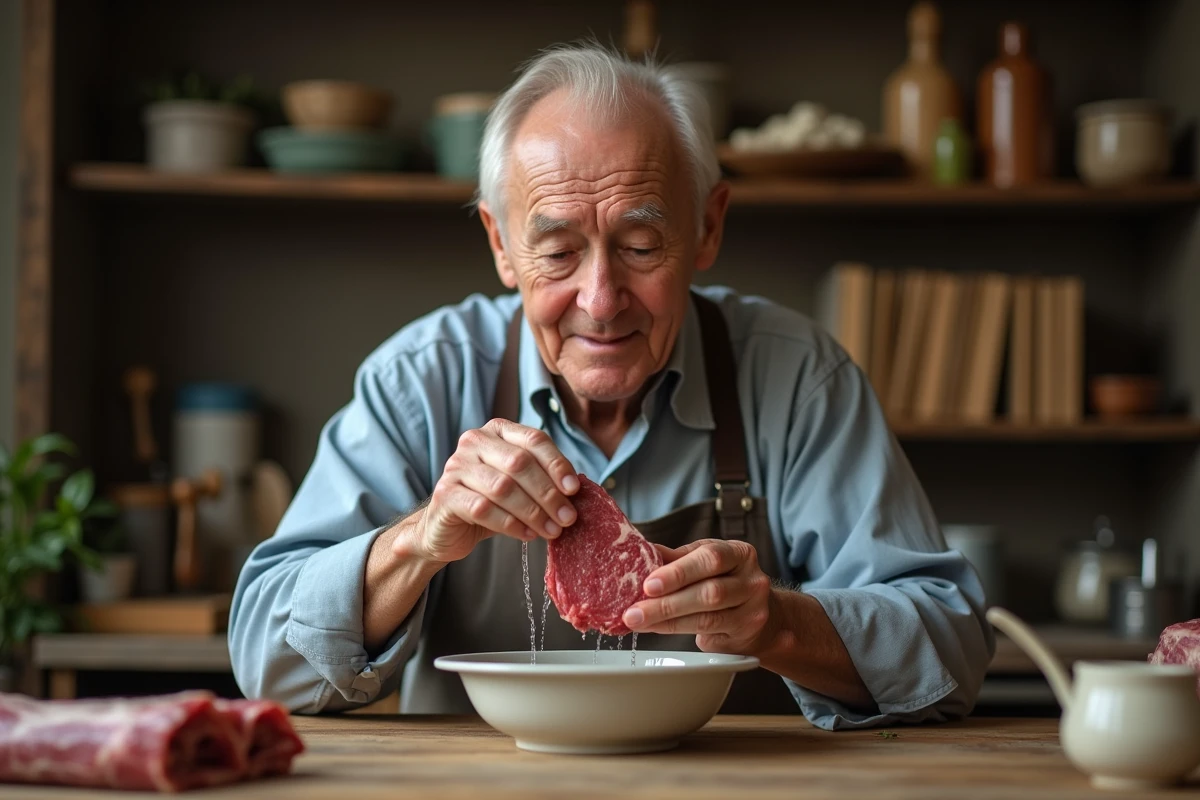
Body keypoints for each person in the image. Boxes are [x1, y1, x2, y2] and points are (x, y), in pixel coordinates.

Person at [229, 42, 994, 730]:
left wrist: (777, 625)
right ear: (501, 244)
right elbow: (266, 659)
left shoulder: (797, 379)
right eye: (558, 252)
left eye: (640, 244)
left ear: (708, 227)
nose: (600, 301)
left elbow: (951, 650)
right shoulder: (420, 380)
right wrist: (419, 541)